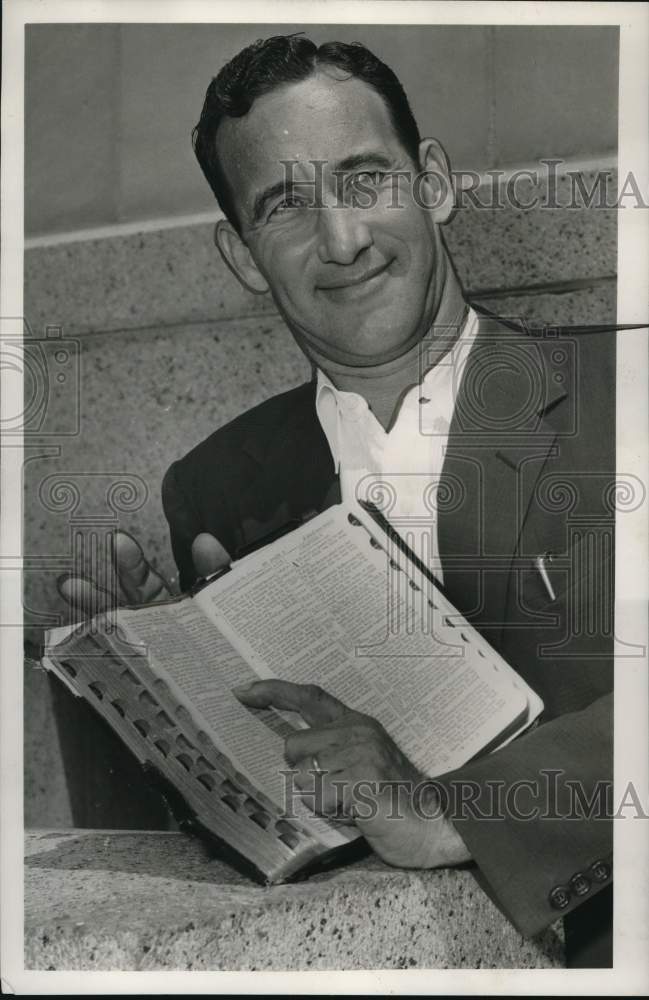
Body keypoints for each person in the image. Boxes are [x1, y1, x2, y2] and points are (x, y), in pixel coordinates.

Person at [61, 35, 615, 966]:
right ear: (242, 256)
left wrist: (456, 811)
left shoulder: (620, 393)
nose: (342, 239)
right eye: (284, 204)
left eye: (363, 180)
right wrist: (160, 699)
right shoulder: (218, 485)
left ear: (431, 182)